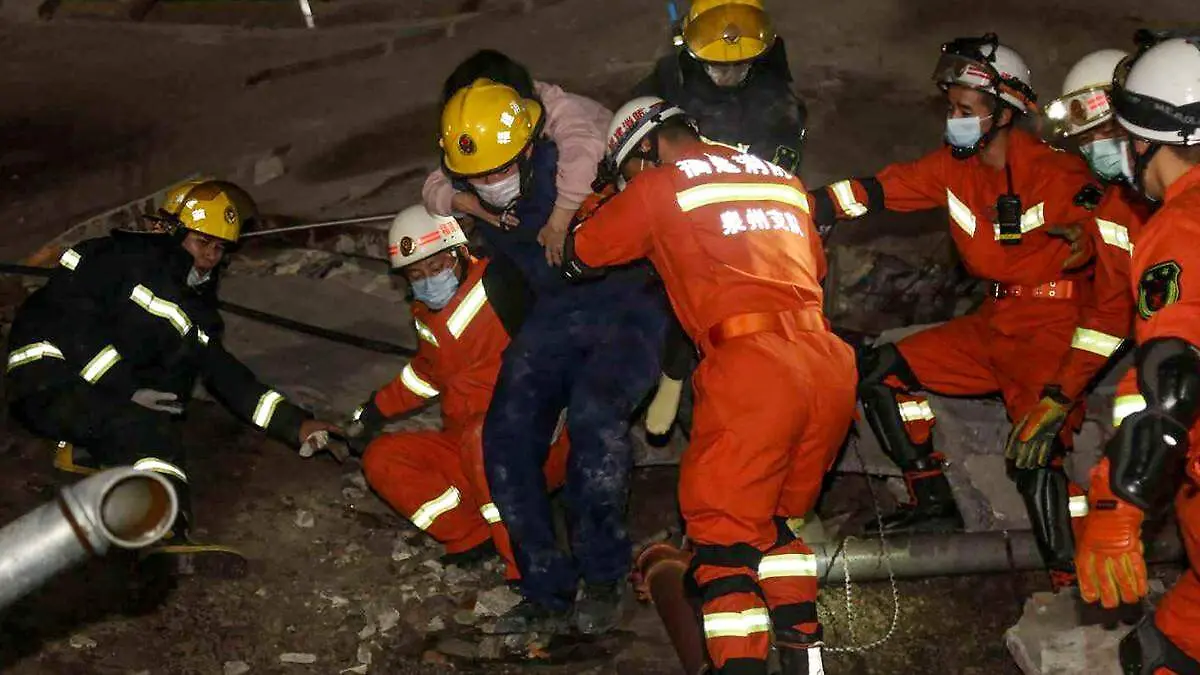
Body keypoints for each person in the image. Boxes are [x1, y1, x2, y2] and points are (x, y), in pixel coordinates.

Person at [809, 34, 1114, 592]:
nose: (955, 120)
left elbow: (1110, 219)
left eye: (966, 110)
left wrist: (1090, 239)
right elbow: (877, 190)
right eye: (951, 109)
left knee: (1035, 452)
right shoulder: (952, 169)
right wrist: (804, 205)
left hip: (1051, 327)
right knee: (881, 372)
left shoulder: (1056, 172)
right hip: (992, 322)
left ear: (1003, 114)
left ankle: (1072, 588)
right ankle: (932, 497)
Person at [564, 96, 856, 675]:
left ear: (643, 148)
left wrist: (600, 202)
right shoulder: (781, 178)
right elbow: (812, 268)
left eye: (627, 168)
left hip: (753, 368)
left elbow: (581, 254)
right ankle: (808, 665)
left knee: (723, 543)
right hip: (827, 362)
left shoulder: (656, 187)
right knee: (775, 528)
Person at [5, 179, 340, 577]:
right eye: (202, 242)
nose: (211, 257)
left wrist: (295, 423)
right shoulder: (120, 258)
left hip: (85, 391)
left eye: (219, 248)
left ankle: (83, 451)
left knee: (163, 400)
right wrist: (128, 389)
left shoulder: (191, 307)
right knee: (149, 430)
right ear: (172, 232)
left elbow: (225, 374)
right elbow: (73, 326)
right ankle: (162, 533)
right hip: (46, 376)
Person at [436, 79, 668, 635]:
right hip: (554, 317)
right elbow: (437, 181)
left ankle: (605, 574)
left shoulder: (575, 165)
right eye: (478, 176)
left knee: (595, 417)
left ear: (529, 147)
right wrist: (458, 196)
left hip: (628, 306)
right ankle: (546, 587)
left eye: (499, 170)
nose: (490, 182)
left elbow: (586, 129)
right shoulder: (485, 188)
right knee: (505, 436)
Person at [346, 205, 568, 580]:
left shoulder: (499, 284)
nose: (429, 281)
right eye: (416, 275)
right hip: (466, 443)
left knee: (482, 438)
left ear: (460, 254)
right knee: (382, 458)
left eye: (436, 269)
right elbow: (427, 375)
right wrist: (374, 411)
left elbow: (556, 346)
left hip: (531, 443)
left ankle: (527, 569)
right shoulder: (426, 313)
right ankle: (470, 535)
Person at [1072, 35, 1200, 673]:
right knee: (1161, 649)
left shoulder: (1179, 225)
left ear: (1145, 139)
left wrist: (1118, 504)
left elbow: (1172, 374)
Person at [634, 0, 809, 439]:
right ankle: (676, 375)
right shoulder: (667, 80)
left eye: (741, 64)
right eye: (716, 65)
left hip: (748, 223)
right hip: (683, 212)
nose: (728, 73)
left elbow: (782, 174)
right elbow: (633, 136)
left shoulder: (778, 102)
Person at [1006, 49, 1150, 465]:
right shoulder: (1113, 212)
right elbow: (1108, 318)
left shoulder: (1184, 199)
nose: (1093, 151)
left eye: (1100, 134)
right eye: (1084, 141)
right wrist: (1060, 396)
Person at [423, 49, 611, 266]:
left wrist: (558, 223)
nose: (490, 183)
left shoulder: (554, 112)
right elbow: (434, 186)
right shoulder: (476, 130)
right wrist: (470, 205)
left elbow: (583, 155)